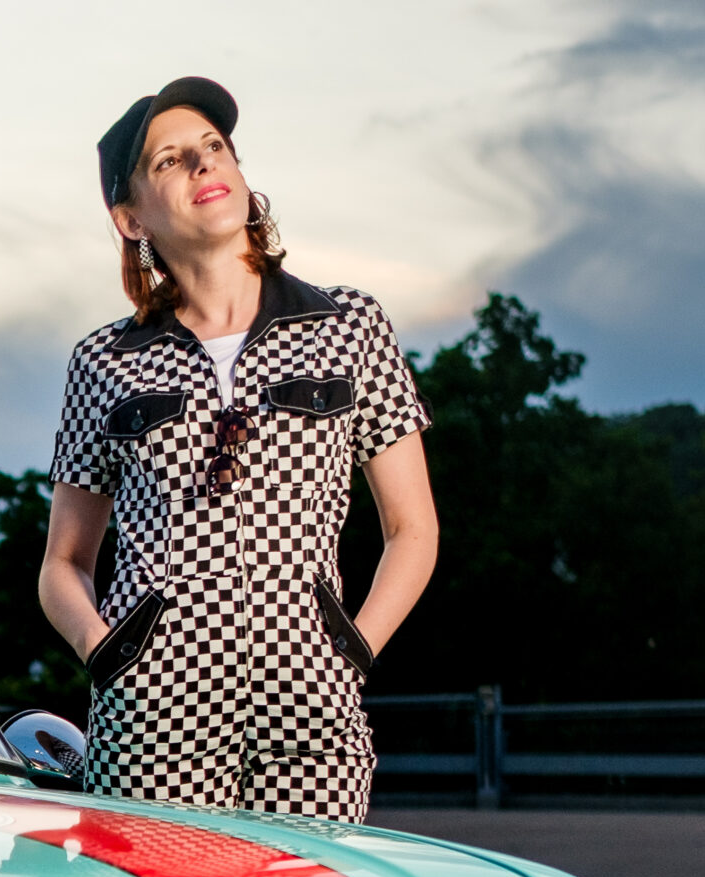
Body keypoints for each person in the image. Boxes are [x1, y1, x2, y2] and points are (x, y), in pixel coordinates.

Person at [37, 76, 438, 820]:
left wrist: (352, 652)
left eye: (214, 146)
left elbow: (412, 528)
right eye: (169, 160)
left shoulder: (349, 325)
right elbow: (63, 563)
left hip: (312, 711)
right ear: (131, 218)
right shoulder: (103, 362)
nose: (202, 164)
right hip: (155, 716)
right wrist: (109, 655)